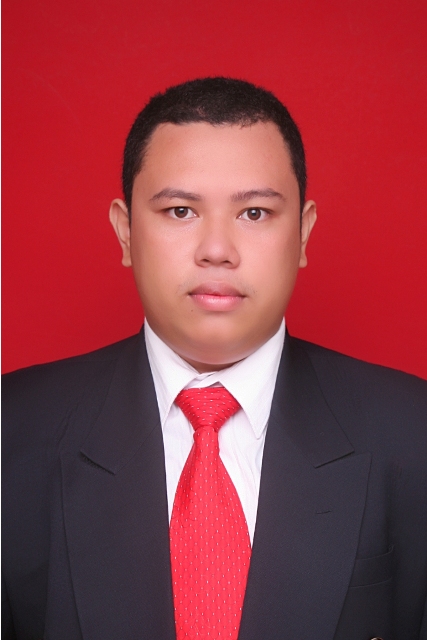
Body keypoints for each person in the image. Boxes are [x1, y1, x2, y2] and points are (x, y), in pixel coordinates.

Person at [2, 77, 426, 640]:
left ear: (303, 233)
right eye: (180, 211)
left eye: (255, 213)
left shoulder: (413, 432)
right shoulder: (13, 430)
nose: (217, 250)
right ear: (126, 231)